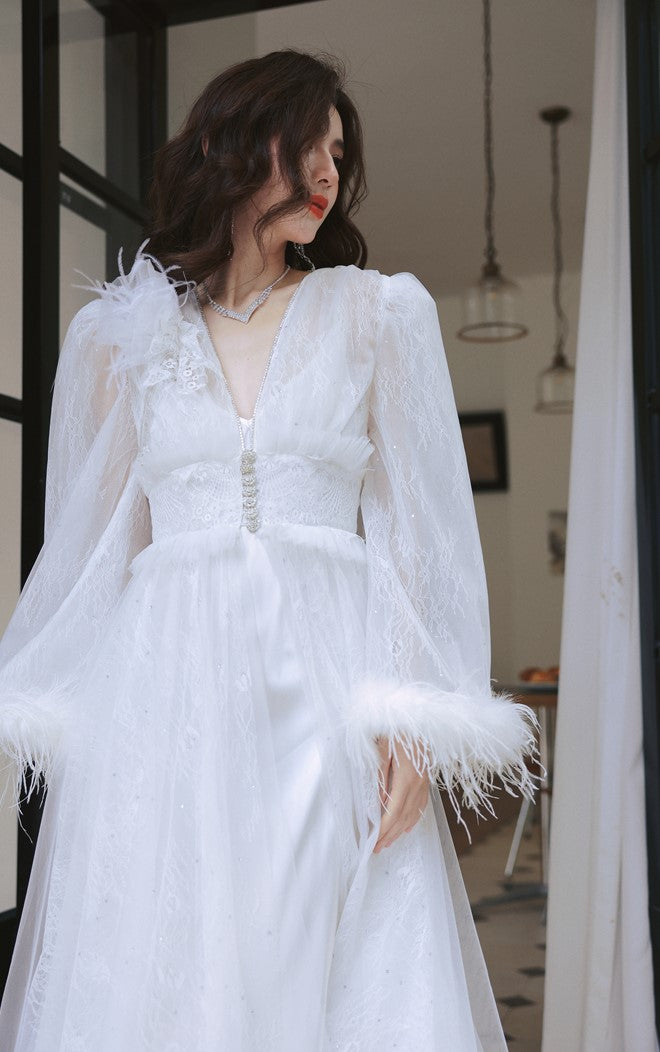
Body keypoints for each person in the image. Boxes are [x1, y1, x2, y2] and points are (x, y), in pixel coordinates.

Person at [0, 48, 539, 1051]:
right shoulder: (122, 338)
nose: (330, 172)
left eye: (340, 152)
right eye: (308, 145)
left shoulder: (376, 314)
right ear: (230, 144)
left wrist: (414, 711)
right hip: (167, 705)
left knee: (334, 959)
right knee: (177, 969)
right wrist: (80, 718)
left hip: (327, 687)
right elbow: (93, 546)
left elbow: (417, 531)